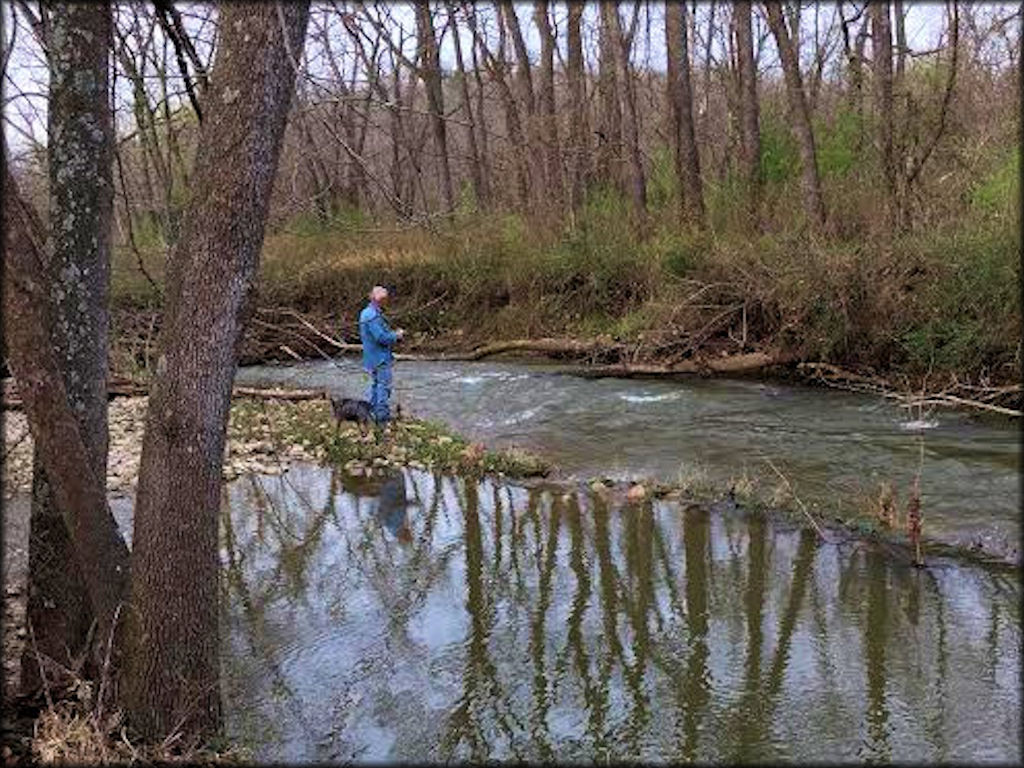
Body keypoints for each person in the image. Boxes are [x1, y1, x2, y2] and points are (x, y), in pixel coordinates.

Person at [359, 285, 404, 424]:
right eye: (384, 299)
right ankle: (381, 418)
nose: (386, 302)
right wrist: (396, 335)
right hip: (379, 358)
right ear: (378, 299)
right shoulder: (372, 315)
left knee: (374, 386)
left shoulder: (366, 312)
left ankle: (371, 414)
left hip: (370, 357)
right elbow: (380, 338)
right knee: (383, 387)